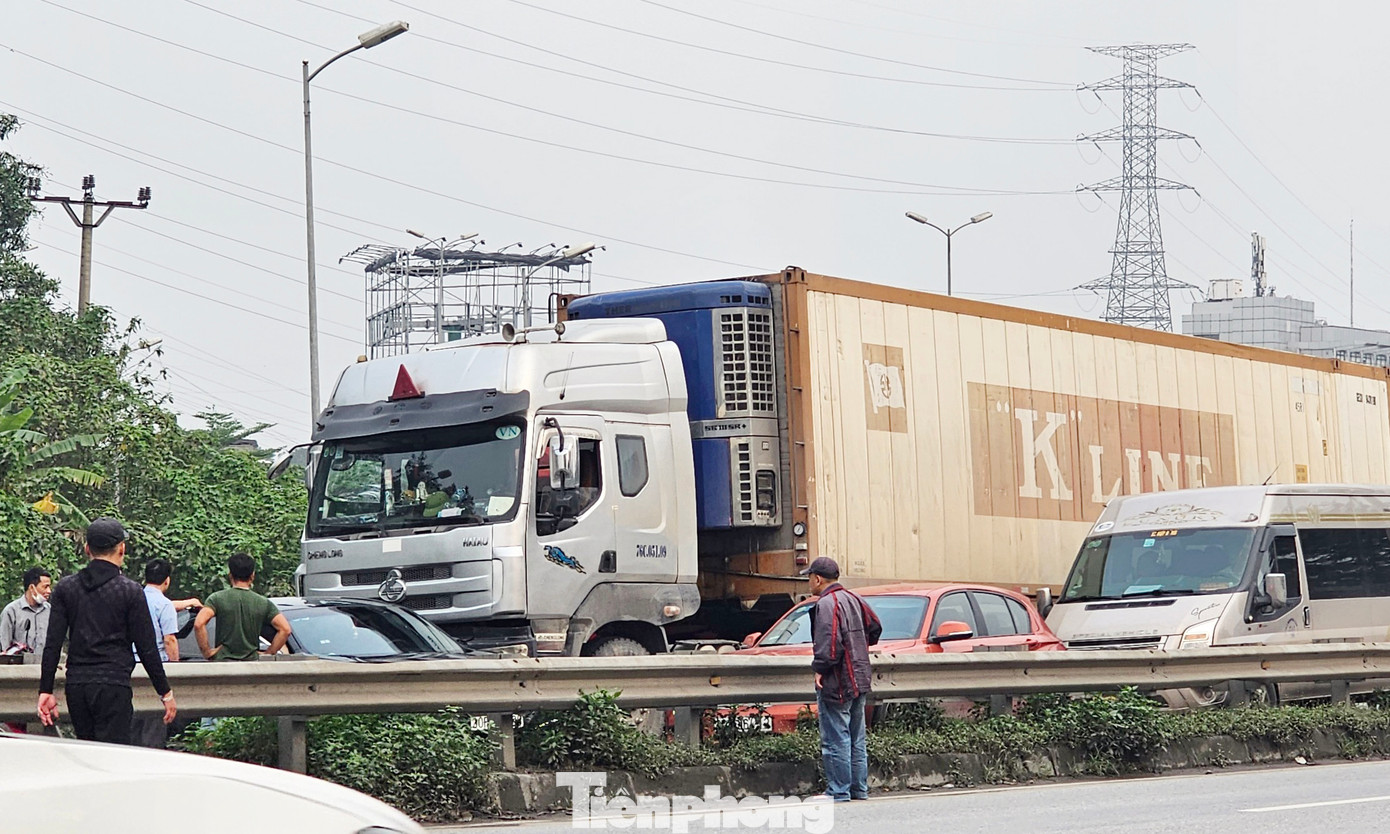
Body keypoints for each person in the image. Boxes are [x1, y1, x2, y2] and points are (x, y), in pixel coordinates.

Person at [37, 518, 177, 744]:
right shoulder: (130, 591)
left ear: (87, 549)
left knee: (86, 749)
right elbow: (147, 648)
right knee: (113, 754)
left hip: (77, 686)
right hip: (114, 684)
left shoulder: (66, 587)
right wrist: (165, 693)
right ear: (122, 549)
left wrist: (45, 690)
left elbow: (52, 643)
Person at [803, 556, 882, 803]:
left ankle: (838, 790)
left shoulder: (827, 603)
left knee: (835, 736)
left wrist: (820, 668)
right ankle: (859, 789)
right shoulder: (855, 599)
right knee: (856, 737)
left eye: (809, 577)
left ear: (817, 578)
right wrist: (858, 647)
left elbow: (829, 645)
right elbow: (876, 626)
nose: (809, 581)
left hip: (838, 679)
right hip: (860, 676)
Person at [130, 559, 199, 748]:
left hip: (131, 666)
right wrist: (173, 666)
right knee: (154, 721)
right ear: (167, 580)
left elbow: (161, 604)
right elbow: (169, 640)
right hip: (156, 667)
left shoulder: (134, 598)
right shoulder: (163, 605)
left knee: (134, 718)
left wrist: (186, 603)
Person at [194, 553, 291, 661]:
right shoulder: (263, 602)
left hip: (223, 663)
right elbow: (285, 629)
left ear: (230, 574)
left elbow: (199, 624)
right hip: (252, 664)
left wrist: (207, 652)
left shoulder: (217, 599)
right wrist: (269, 653)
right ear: (252, 575)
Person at [1, 567, 52, 657]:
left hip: (45, 668)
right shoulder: (11, 611)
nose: (49, 591)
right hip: (18, 669)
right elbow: (5, 649)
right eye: (45, 587)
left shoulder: (50, 611)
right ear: (32, 588)